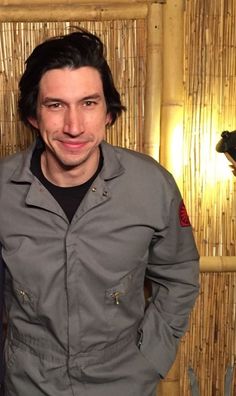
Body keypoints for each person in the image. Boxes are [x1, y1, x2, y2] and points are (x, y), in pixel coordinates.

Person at [0, 28, 199, 396]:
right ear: (33, 115)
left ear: (109, 112)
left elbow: (179, 273)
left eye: (89, 103)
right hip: (28, 382)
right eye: (55, 105)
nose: (74, 126)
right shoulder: (3, 191)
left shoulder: (153, 185)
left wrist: (152, 356)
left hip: (125, 382)